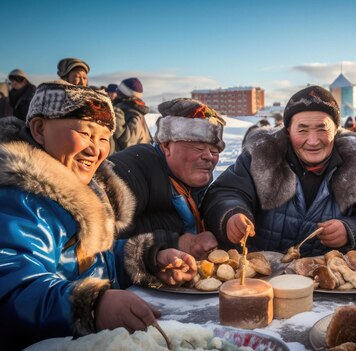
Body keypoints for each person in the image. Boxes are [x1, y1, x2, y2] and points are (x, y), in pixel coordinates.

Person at [0, 81, 197, 350]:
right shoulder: (17, 198)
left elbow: (94, 259)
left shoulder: (82, 189)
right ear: (39, 129)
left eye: (103, 138)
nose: (95, 149)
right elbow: (13, 289)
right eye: (84, 133)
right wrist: (93, 305)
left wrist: (149, 259)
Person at [203, 85, 356, 256]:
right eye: (302, 130)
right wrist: (232, 214)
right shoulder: (262, 156)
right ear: (288, 130)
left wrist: (350, 230)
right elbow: (225, 192)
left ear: (336, 129)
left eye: (322, 129)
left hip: (327, 282)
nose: (313, 141)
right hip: (263, 278)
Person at [109, 98, 225, 259]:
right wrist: (172, 243)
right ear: (166, 146)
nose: (208, 157)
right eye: (198, 148)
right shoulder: (133, 169)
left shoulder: (196, 181)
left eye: (215, 151)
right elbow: (98, 243)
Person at [110, 77, 152, 153]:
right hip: (141, 160)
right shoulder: (138, 112)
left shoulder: (122, 111)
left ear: (122, 93)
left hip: (126, 162)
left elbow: (127, 143)